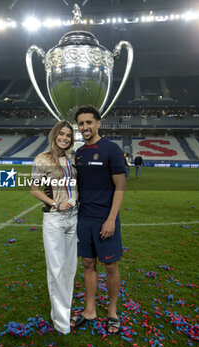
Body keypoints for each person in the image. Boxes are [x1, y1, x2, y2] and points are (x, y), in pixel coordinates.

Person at [70, 105, 126, 335]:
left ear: (98, 123)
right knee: (88, 264)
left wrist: (111, 219)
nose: (84, 127)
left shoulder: (111, 149)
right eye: (81, 123)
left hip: (106, 218)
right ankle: (90, 310)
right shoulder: (79, 153)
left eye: (88, 122)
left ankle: (112, 312)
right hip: (84, 218)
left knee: (111, 265)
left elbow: (120, 186)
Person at [31, 120, 78, 335]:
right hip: (54, 219)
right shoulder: (42, 159)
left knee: (70, 269)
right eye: (61, 134)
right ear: (54, 135)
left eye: (68, 135)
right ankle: (61, 322)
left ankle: (63, 313)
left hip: (74, 217)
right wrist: (55, 203)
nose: (65, 138)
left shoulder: (72, 158)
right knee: (56, 270)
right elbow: (34, 189)